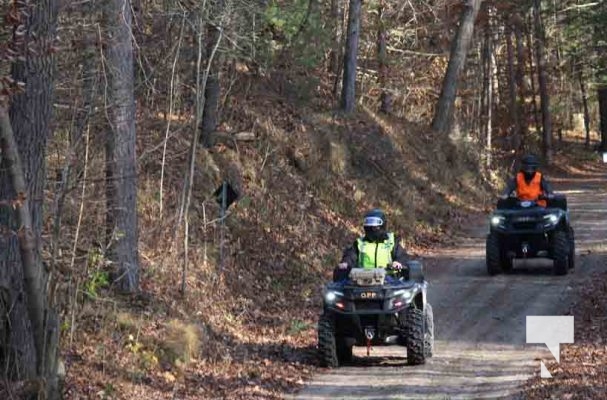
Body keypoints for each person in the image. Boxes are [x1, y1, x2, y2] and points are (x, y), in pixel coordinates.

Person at [333, 208, 410, 281]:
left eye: (374, 228)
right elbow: (350, 256)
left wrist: (398, 263)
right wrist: (345, 263)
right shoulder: (360, 243)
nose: (371, 230)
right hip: (362, 280)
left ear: (382, 226)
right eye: (368, 227)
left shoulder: (391, 241)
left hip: (388, 280)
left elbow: (402, 256)